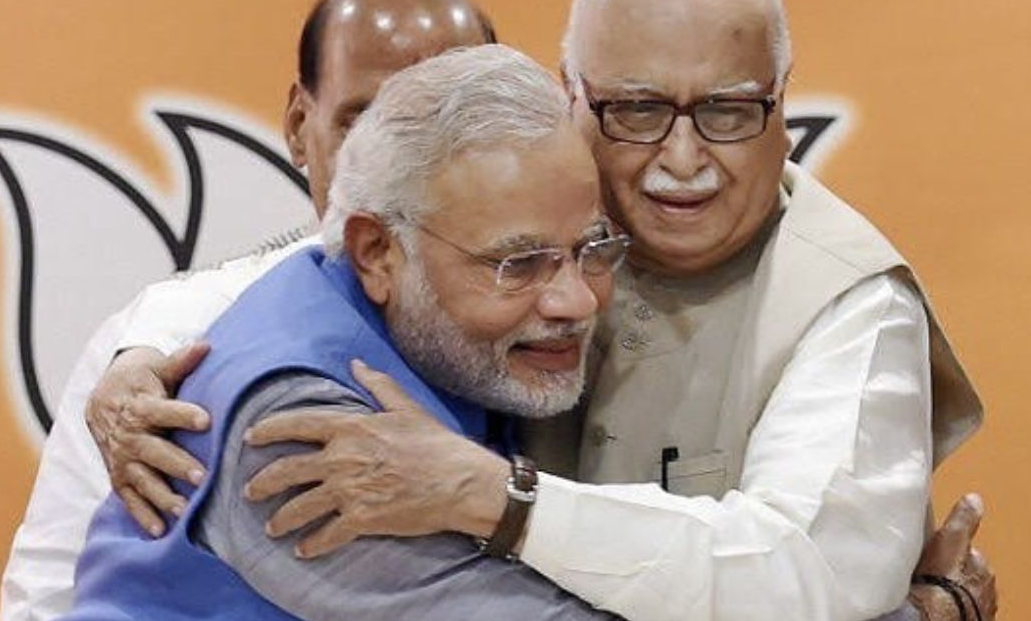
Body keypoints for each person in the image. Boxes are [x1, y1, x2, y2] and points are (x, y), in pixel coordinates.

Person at [8, 0, 994, 621]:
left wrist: (494, 497)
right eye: (638, 108)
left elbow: (807, 575)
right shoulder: (302, 421)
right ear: (577, 98)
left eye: (729, 110)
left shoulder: (843, 297)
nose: (682, 158)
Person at [0, 0, 495, 619]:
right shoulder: (165, 343)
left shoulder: (553, 327)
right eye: (363, 121)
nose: (403, 164)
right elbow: (46, 597)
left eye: (445, 125)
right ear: (298, 126)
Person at [64, 44, 633, 621]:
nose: (578, 301)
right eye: (518, 264)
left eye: (592, 248)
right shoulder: (292, 419)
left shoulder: (409, 317)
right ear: (376, 252)